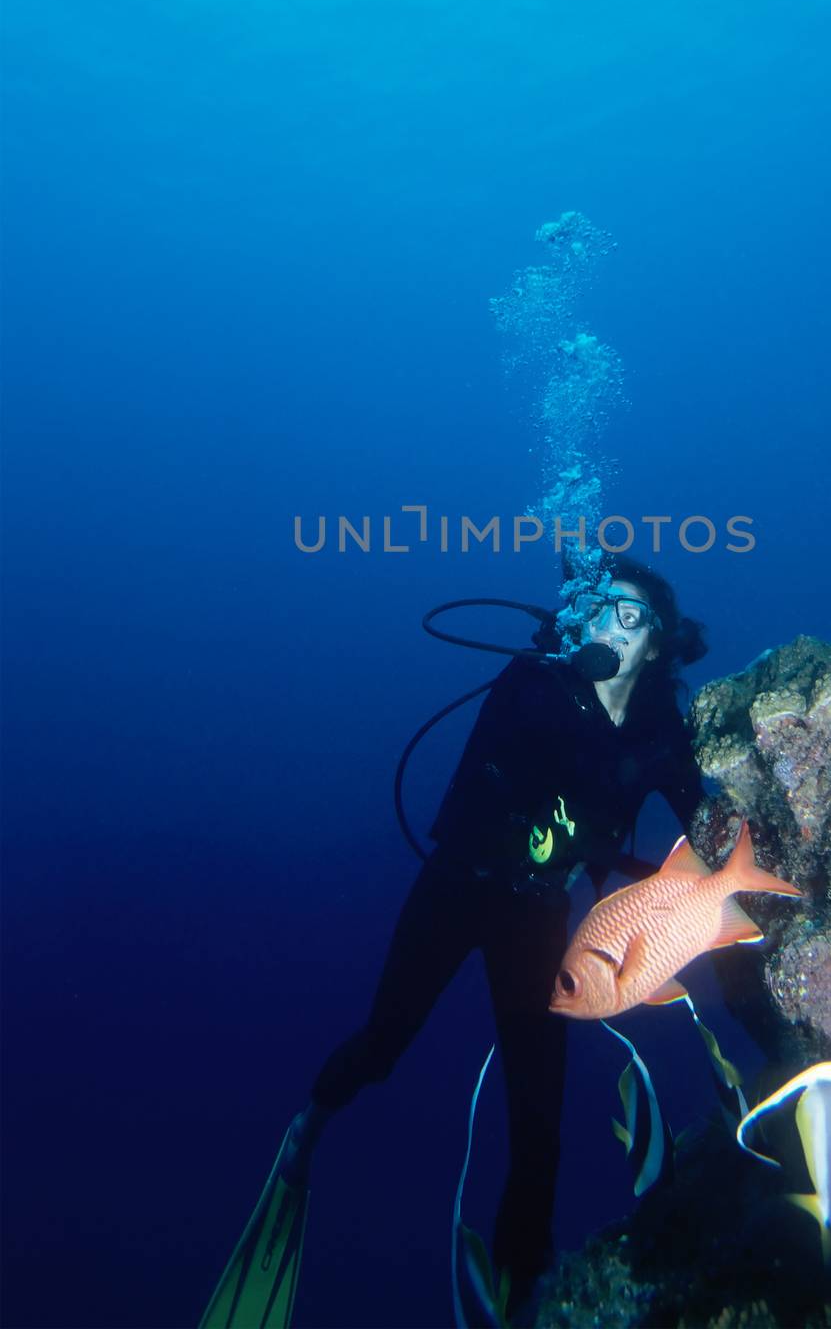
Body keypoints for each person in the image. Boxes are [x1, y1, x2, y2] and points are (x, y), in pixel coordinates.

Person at [200, 555, 710, 1329]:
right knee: (385, 1041)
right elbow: (538, 752)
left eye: (632, 615)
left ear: (657, 642)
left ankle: (515, 1286)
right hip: (457, 885)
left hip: (539, 918)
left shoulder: (660, 727)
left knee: (538, 1109)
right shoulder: (537, 678)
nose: (612, 622)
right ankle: (310, 1127)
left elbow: (693, 819)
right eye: (602, 606)